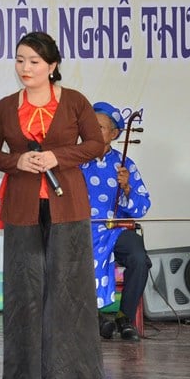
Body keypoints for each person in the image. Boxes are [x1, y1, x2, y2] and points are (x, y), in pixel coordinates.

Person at [0, 31, 106, 379]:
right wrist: (16, 160)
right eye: (20, 60)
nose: (25, 68)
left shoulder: (75, 102)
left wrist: (58, 156)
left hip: (67, 204)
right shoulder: (5, 106)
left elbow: (96, 144)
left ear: (52, 66)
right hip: (23, 206)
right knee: (25, 292)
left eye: (34, 61)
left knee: (69, 291)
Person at [80, 101, 152, 342]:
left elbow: (142, 207)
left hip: (115, 229)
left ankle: (125, 316)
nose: (92, 130)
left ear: (114, 134)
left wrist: (127, 188)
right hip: (81, 228)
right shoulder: (74, 160)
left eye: (100, 127)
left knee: (139, 258)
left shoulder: (125, 165)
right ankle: (95, 318)